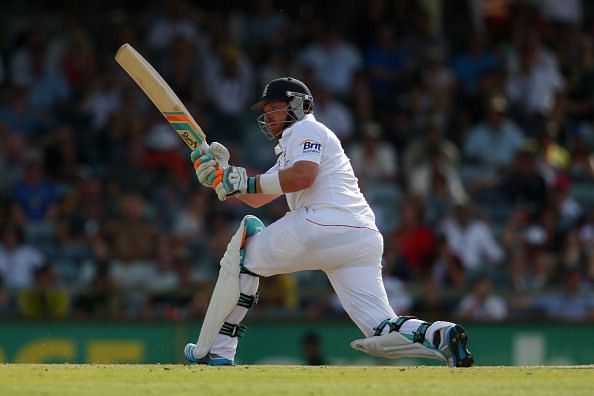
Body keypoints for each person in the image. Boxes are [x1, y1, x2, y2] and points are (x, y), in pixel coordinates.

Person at [182, 77, 473, 367]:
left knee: (244, 250)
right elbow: (261, 194)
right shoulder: (293, 145)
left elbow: (302, 177)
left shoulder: (306, 128)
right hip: (361, 238)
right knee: (381, 328)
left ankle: (216, 350)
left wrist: (241, 180)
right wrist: (224, 178)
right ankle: (441, 335)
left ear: (298, 105)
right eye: (265, 109)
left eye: (275, 107)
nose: (268, 115)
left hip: (323, 225)